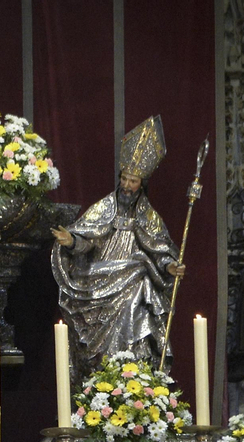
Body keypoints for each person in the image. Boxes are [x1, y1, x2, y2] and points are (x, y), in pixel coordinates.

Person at [51, 115, 185, 370]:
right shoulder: (104, 207)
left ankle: (134, 370)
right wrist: (72, 241)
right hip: (100, 275)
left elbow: (159, 250)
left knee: (141, 280)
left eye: (132, 181)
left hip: (133, 276)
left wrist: (169, 267)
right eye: (124, 178)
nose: (126, 185)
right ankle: (103, 371)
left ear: (141, 185)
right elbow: (88, 240)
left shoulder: (149, 217)